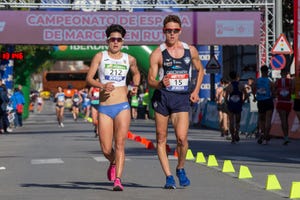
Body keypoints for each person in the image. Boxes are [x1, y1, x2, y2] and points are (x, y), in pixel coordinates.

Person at [147, 15, 204, 189]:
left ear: (180, 31)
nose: (172, 34)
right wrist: (159, 83)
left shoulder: (190, 50)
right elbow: (150, 79)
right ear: (164, 31)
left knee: (181, 138)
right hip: (163, 98)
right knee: (161, 138)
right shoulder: (158, 53)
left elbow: (200, 69)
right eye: (168, 31)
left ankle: (180, 168)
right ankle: (169, 176)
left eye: (175, 30)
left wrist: (195, 91)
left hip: (181, 98)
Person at [86, 24, 140, 191]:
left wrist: (135, 85)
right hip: (104, 108)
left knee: (120, 144)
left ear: (123, 41)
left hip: (122, 106)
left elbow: (136, 73)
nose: (115, 42)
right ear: (107, 41)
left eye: (119, 40)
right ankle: (113, 161)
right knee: (105, 148)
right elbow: (89, 78)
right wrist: (101, 85)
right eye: (112, 39)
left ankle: (118, 179)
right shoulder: (100, 57)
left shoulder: (129, 59)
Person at [253, 65, 275, 144]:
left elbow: (253, 87)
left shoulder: (257, 80)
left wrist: (254, 96)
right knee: (268, 119)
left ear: (261, 71)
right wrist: (273, 95)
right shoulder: (269, 81)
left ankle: (262, 133)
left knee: (261, 119)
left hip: (260, 101)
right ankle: (266, 135)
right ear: (267, 71)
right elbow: (273, 90)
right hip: (268, 101)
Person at [224, 71, 246, 144]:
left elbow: (225, 98)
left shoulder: (228, 87)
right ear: (236, 77)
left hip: (231, 104)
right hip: (238, 104)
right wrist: (243, 101)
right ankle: (236, 133)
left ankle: (233, 138)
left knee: (231, 121)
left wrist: (228, 103)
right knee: (237, 121)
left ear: (230, 78)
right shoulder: (241, 85)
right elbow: (246, 95)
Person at [275, 70, 293, 145]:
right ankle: (287, 136)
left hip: (281, 102)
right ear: (286, 74)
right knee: (286, 119)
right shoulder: (290, 81)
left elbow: (275, 92)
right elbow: (292, 91)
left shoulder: (277, 81)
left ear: (281, 74)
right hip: (288, 102)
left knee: (283, 120)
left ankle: (285, 137)